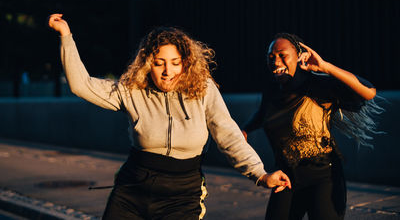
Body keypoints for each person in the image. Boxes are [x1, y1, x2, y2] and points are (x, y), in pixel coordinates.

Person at [47, 13, 291, 219]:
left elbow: (229, 135)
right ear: (147, 64)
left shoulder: (203, 89)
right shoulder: (132, 90)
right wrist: (65, 36)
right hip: (132, 190)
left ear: (185, 62)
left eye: (175, 62)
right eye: (159, 63)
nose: (167, 72)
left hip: (182, 196)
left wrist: (260, 173)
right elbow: (81, 85)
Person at [242, 33, 383, 220]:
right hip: (287, 178)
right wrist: (245, 129)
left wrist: (325, 67)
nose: (275, 62)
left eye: (282, 55)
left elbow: (369, 92)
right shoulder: (273, 89)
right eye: (271, 57)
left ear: (298, 55)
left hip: (324, 178)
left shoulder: (316, 85)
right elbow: (263, 114)